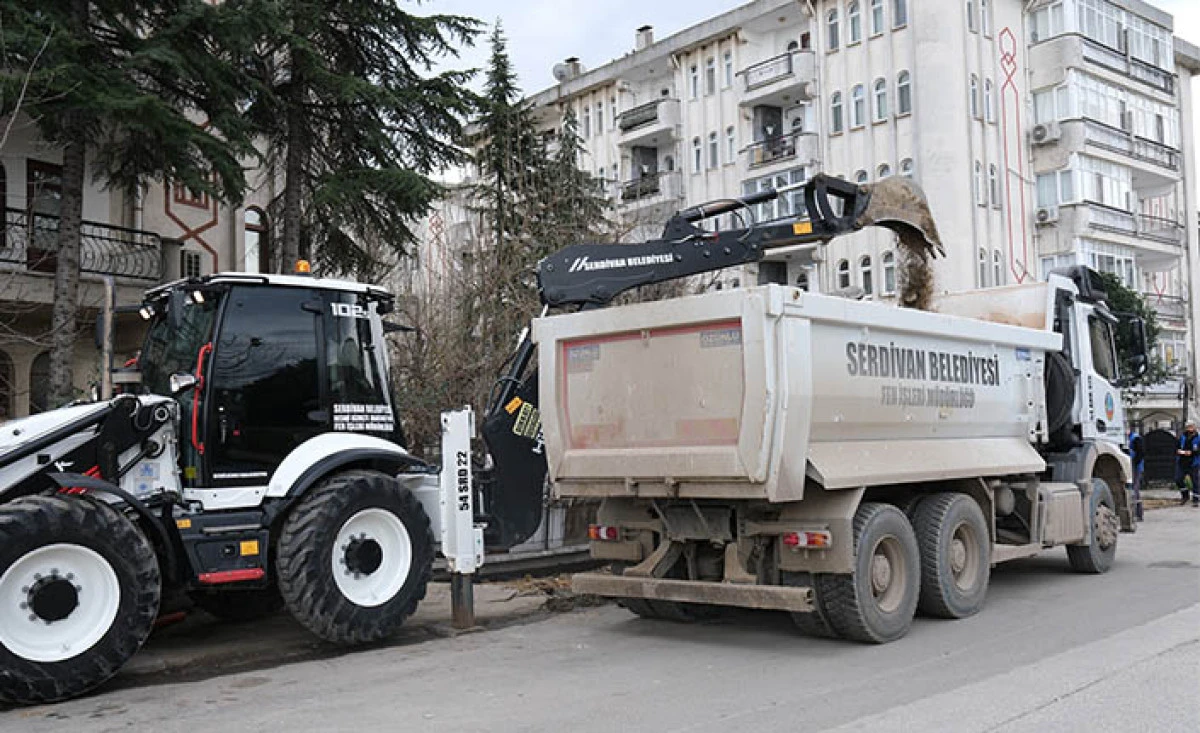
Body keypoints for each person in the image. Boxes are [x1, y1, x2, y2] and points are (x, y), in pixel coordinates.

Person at [1175, 421, 1200, 506]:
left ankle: (1196, 499)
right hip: (1182, 461)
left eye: (1191, 427)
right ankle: (1185, 495)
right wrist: (1178, 451)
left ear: (1194, 428)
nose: (1190, 429)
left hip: (1193, 462)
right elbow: (1177, 446)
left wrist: (1192, 453)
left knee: (1195, 481)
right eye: (1188, 427)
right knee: (1178, 479)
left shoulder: (1198, 438)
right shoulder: (1182, 437)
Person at [1129, 427, 1145, 520]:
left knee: (1135, 489)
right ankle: (1137, 513)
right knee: (1134, 490)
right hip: (1130, 466)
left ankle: (1137, 513)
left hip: (1136, 467)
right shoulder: (1130, 438)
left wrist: (1135, 463)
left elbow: (1141, 452)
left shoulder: (1136, 438)